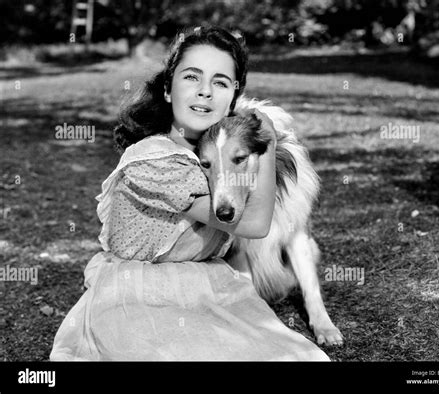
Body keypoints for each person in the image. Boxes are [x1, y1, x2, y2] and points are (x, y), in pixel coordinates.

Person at [50, 26, 330, 361]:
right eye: (192, 77)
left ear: (233, 97)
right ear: (168, 89)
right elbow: (254, 225)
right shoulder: (155, 160)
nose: (205, 92)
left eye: (220, 82)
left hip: (203, 281)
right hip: (141, 296)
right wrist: (265, 142)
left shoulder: (208, 151)